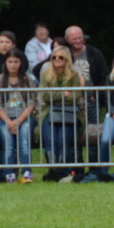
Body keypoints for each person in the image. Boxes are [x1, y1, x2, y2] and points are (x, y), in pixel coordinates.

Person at [37, 45, 85, 182]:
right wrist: (64, 93)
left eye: (61, 57)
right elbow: (44, 96)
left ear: (67, 59)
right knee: (51, 140)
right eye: (54, 57)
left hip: (69, 112)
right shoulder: (46, 74)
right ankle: (54, 171)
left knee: (62, 140)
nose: (57, 60)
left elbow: (75, 96)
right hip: (49, 112)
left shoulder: (74, 75)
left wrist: (55, 95)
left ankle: (62, 173)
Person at [1, 49, 36, 183]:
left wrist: (19, 121)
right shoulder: (0, 79)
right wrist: (9, 122)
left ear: (21, 63)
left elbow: (32, 102)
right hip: (5, 118)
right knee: (8, 144)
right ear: (6, 63)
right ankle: (10, 175)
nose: (13, 65)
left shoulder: (28, 79)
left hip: (24, 117)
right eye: (10, 62)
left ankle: (27, 174)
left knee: (24, 141)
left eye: (16, 62)